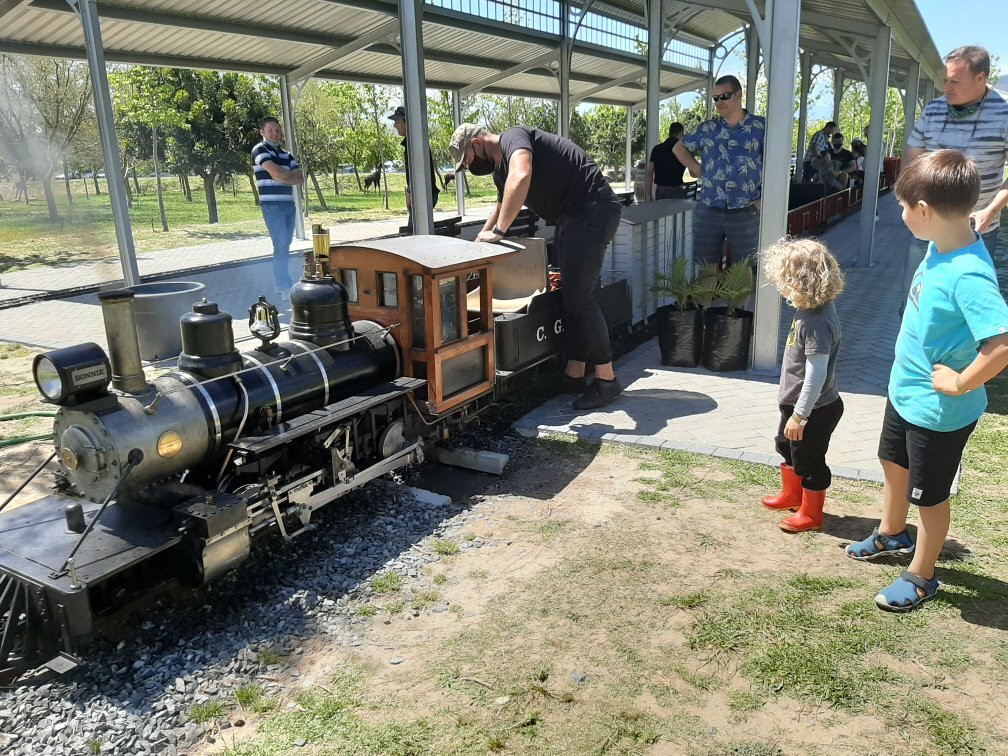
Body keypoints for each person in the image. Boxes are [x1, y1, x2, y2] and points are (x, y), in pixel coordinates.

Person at [846, 150, 1008, 612]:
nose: (900, 215)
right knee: (892, 464)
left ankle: (921, 575)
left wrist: (960, 383)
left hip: (939, 411)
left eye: (902, 206)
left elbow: (1000, 344)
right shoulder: (950, 238)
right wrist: (990, 210)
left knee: (929, 497)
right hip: (905, 394)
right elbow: (971, 221)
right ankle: (891, 532)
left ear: (925, 211)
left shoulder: (970, 275)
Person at [449, 123, 623, 410]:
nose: (468, 166)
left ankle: (607, 379)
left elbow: (522, 174)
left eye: (466, 159)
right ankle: (575, 373)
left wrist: (500, 232)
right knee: (571, 297)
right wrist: (482, 238)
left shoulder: (513, 138)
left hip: (592, 209)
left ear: (477, 143)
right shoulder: (500, 169)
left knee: (580, 298)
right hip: (570, 217)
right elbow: (501, 202)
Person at [901, 45, 1008, 299]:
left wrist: (990, 211)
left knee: (968, 302)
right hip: (926, 226)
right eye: (945, 80)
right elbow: (913, 154)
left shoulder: (1004, 112)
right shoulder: (934, 109)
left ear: (981, 78)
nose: (947, 88)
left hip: (977, 230)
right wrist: (910, 200)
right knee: (915, 301)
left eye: (955, 82)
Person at [759, 238, 845, 533]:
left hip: (814, 410)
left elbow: (816, 375)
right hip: (797, 405)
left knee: (809, 461)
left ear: (801, 281)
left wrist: (800, 415)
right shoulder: (810, 311)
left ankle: (811, 515)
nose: (780, 286)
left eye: (783, 280)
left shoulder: (817, 322)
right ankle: (792, 495)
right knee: (785, 446)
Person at [672, 75, 766, 266]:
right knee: (705, 270)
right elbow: (678, 148)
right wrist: (697, 168)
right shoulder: (708, 129)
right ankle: (706, 298)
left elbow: (775, 162)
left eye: (724, 96)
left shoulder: (760, 127)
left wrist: (766, 197)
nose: (719, 102)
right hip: (708, 208)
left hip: (745, 209)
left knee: (744, 273)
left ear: (738, 94)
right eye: (715, 98)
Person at [252, 116, 304, 299]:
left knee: (285, 245)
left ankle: (281, 283)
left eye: (277, 130)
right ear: (262, 132)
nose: (275, 133)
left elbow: (300, 178)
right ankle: (283, 286)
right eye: (270, 130)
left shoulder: (285, 154)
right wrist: (284, 175)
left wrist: (283, 175)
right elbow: (279, 174)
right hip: (272, 206)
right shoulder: (259, 150)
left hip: (288, 205)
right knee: (280, 245)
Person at [388, 106, 440, 232]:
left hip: (423, 194)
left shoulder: (415, 142)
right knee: (415, 232)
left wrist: (412, 194)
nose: (395, 125)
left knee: (416, 234)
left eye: (398, 122)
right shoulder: (413, 141)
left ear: (407, 122)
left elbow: (419, 171)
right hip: (422, 194)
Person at [645, 122, 687, 200]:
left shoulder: (656, 149)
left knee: (662, 212)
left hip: (661, 191)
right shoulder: (684, 149)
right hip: (677, 191)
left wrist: (648, 195)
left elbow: (649, 173)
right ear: (681, 133)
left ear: (669, 132)